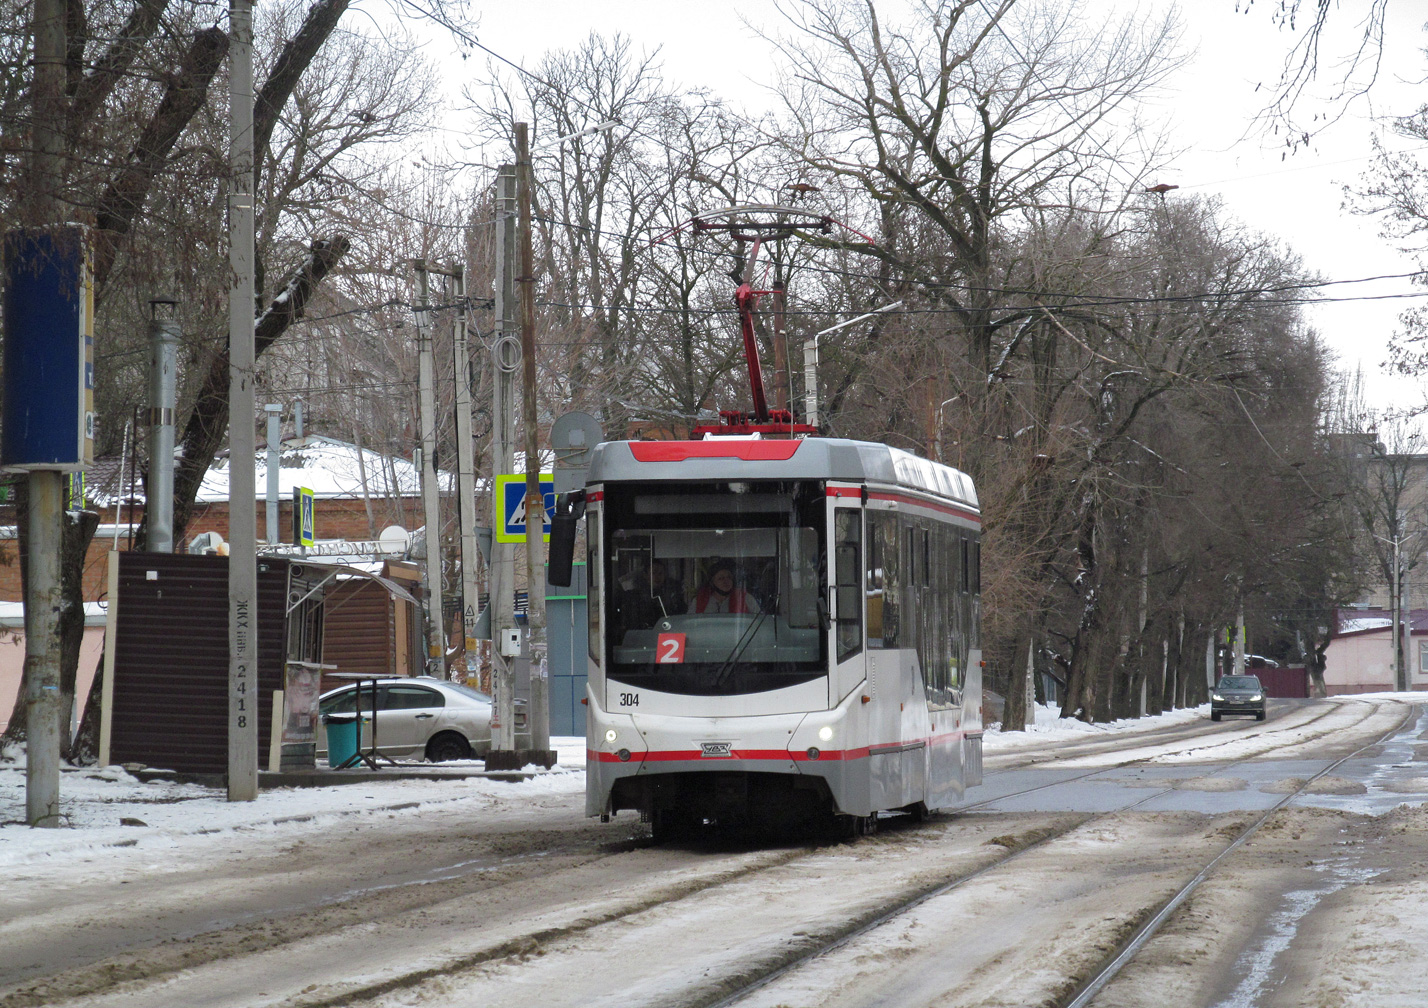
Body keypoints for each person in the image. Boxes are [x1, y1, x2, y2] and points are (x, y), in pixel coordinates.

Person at [693, 561, 760, 614]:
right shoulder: (698, 601)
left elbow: (758, 620)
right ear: (712, 582)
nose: (726, 581)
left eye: (729, 577)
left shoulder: (745, 598)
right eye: (721, 578)